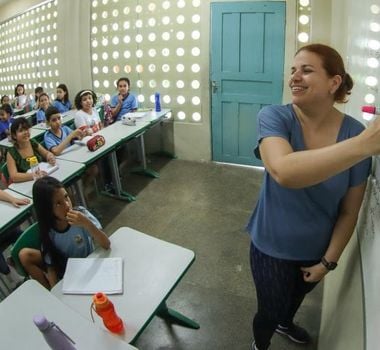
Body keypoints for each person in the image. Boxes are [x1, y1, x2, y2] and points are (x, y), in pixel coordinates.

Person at [247, 43, 375, 350]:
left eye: (306, 70)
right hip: (271, 245)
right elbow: (284, 171)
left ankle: (286, 323)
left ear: (334, 82)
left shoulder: (354, 133)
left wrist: (328, 262)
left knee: (293, 301)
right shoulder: (275, 118)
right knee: (269, 309)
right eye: (293, 70)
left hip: (317, 250)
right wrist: (365, 145)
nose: (294, 77)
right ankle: (259, 345)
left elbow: (349, 212)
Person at [18, 176, 110, 289]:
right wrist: (55, 292)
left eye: (66, 197)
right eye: (58, 203)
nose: (67, 205)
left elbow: (106, 244)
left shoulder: (81, 214)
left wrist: (87, 224)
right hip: (69, 276)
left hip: (89, 266)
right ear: (47, 210)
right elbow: (51, 268)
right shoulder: (49, 232)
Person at [7, 117, 56, 183]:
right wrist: (34, 175)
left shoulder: (32, 143)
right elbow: (14, 176)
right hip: (25, 183)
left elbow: (46, 153)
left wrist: (50, 157)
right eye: (21, 130)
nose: (26, 132)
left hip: (42, 179)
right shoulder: (11, 153)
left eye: (27, 129)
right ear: (14, 135)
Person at [0, 190, 30, 290]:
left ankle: (17, 260)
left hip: (4, 228)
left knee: (22, 236)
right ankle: (14, 280)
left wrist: (12, 199)